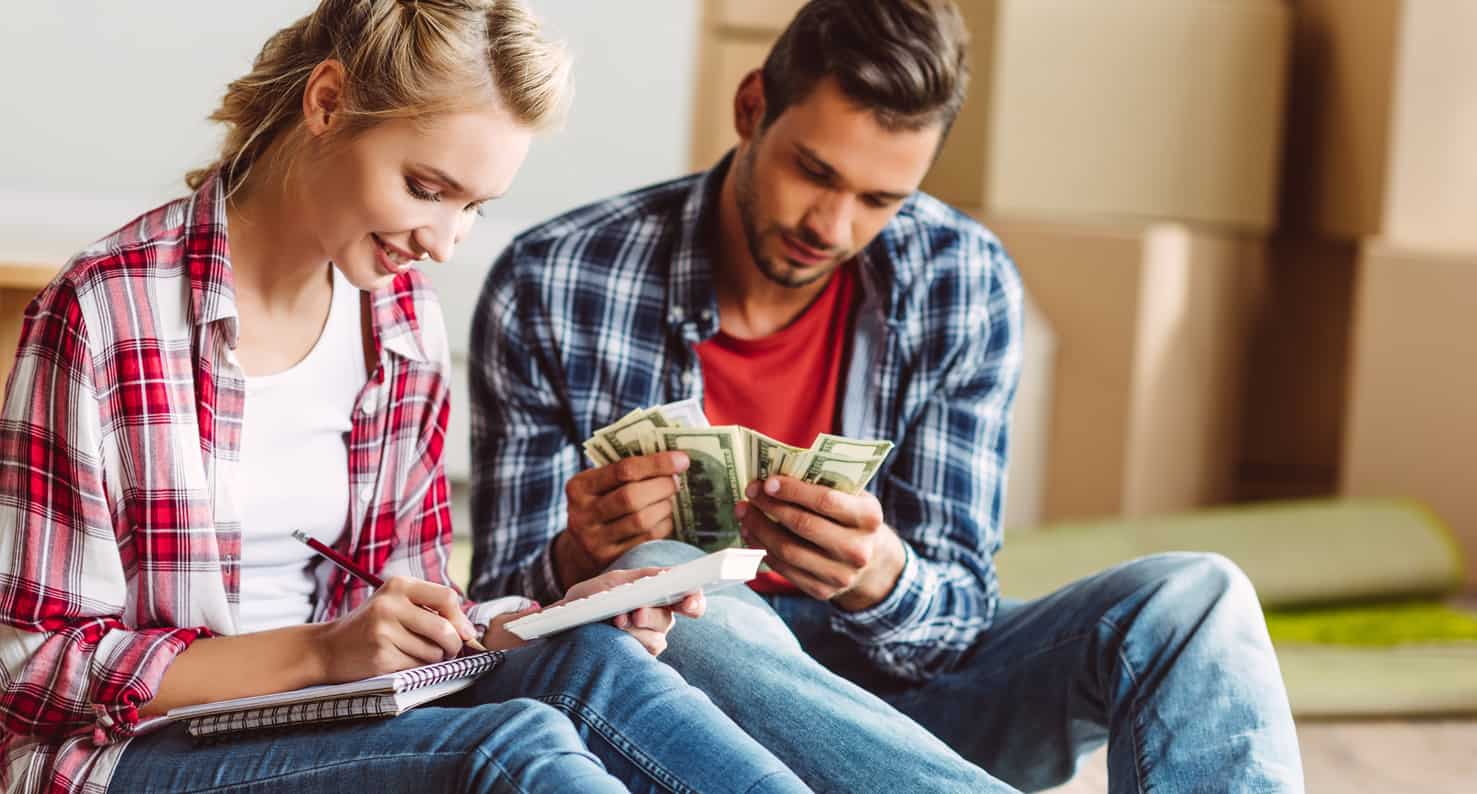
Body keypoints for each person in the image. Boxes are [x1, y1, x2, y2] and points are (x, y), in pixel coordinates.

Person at [468, 0, 1306, 791]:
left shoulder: (960, 279)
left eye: (878, 200)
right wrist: (582, 555)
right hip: (690, 713)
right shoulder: (558, 278)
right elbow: (500, 629)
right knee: (662, 580)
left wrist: (878, 576)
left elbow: (958, 619)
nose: (830, 226)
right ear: (751, 105)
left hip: (917, 707)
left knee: (1197, 597)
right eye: (813, 172)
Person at [0, 2, 814, 793]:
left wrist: (546, 618)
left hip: (332, 721)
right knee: (511, 746)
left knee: (594, 662)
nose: (444, 241)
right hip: (133, 754)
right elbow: (27, 664)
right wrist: (322, 654)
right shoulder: (106, 311)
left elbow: (416, 617)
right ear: (327, 103)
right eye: (427, 188)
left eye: (472, 207)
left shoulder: (398, 318)